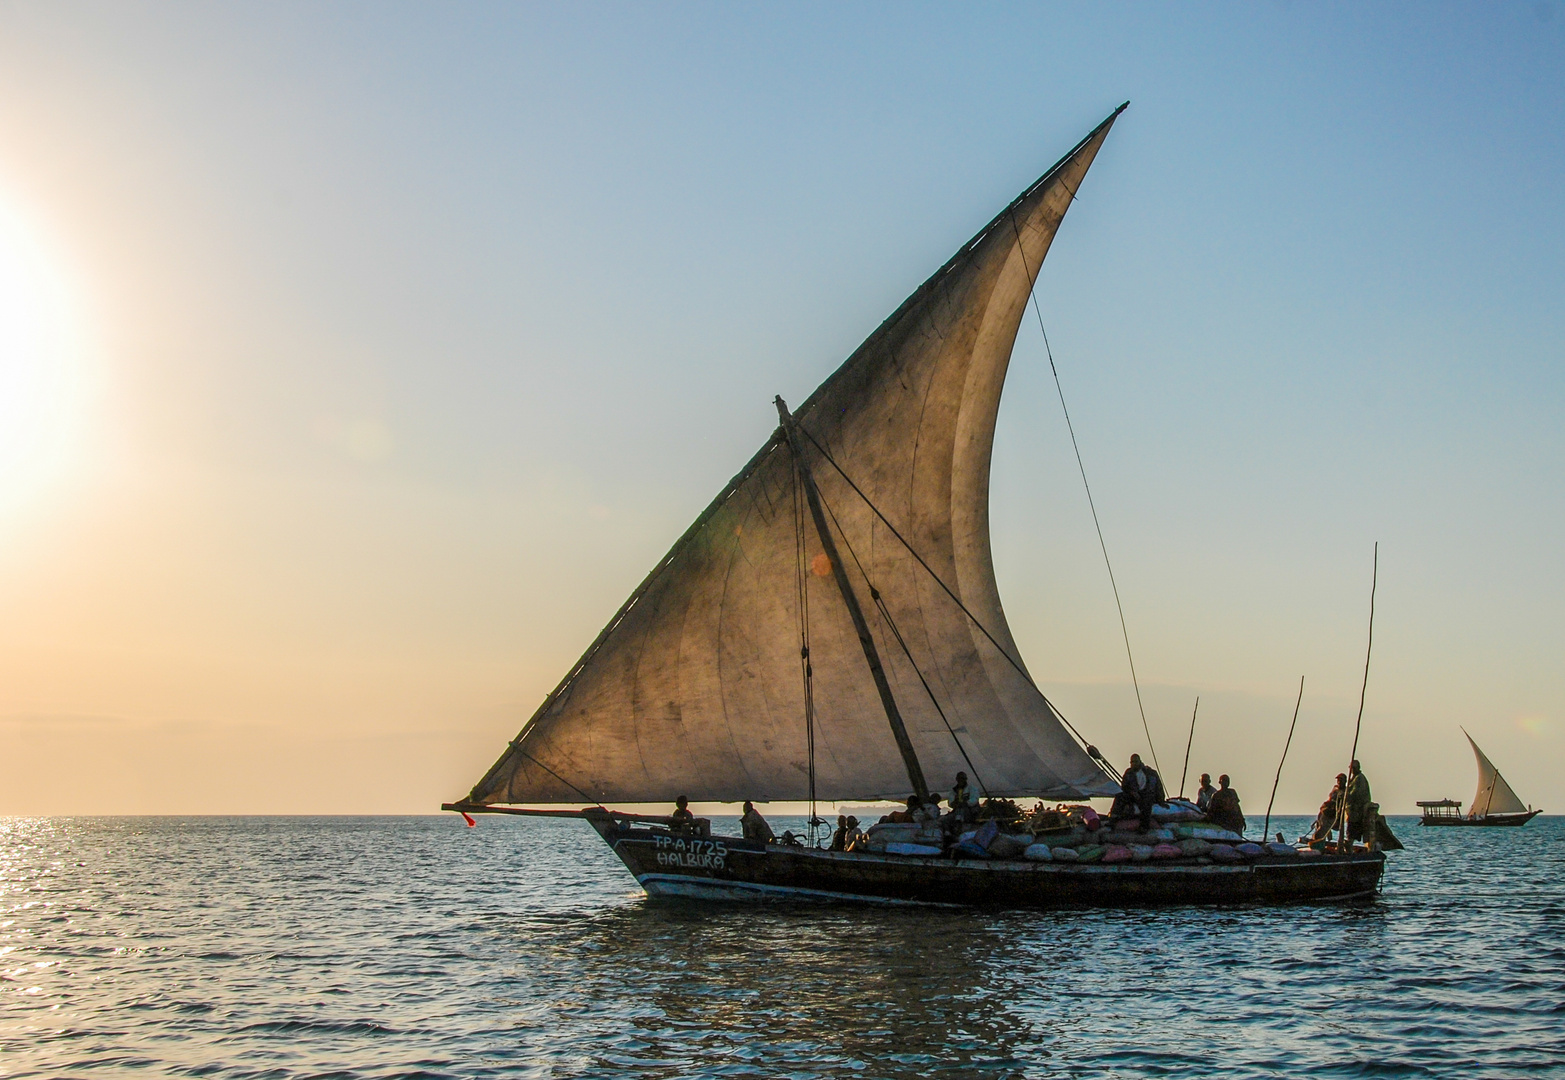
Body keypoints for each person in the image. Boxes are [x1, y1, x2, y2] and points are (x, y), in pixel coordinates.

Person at [1112, 753, 1165, 832]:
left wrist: (1161, 800)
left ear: (1140, 761)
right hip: (1133, 795)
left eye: (1135, 762)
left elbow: (1158, 787)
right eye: (1132, 762)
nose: (1134, 764)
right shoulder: (1129, 773)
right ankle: (1113, 818)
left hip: (1147, 795)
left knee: (1146, 805)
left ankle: (1144, 826)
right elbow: (1124, 787)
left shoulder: (1150, 773)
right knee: (1119, 797)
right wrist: (1132, 792)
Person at [1307, 774, 1347, 843]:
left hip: (1334, 814)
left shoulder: (1345, 792)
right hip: (1327, 811)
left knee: (1319, 834)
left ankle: (1319, 842)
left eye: (1341, 780)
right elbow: (1330, 799)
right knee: (1319, 828)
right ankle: (1319, 843)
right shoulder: (1335, 788)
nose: (1339, 782)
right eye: (1338, 780)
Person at [1345, 760, 1373, 843]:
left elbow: (1355, 794)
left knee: (1352, 832)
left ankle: (1349, 847)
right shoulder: (1353, 778)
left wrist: (1345, 795)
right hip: (1352, 812)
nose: (1352, 770)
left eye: (1353, 768)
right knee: (1350, 831)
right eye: (1351, 768)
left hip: (1357, 812)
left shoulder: (1359, 779)